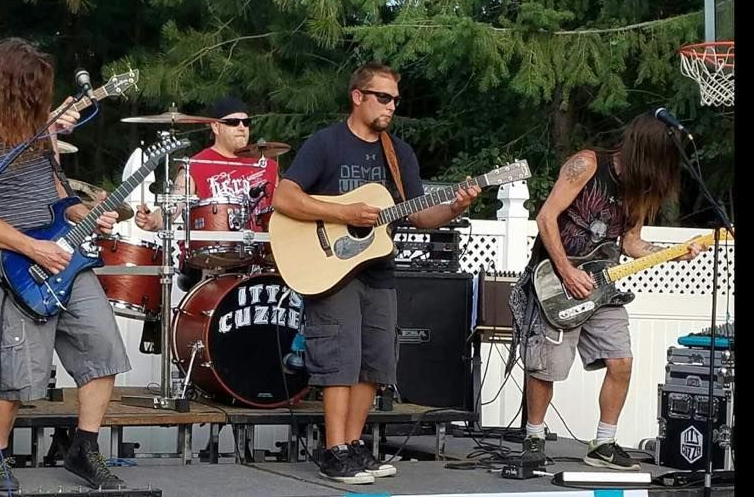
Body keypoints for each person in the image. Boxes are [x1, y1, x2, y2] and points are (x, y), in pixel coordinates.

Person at [271, 61, 481, 484]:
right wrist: (343, 211)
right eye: (383, 98)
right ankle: (332, 450)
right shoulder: (326, 144)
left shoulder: (398, 153)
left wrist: (456, 205)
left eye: (395, 100)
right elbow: (284, 197)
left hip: (377, 268)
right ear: (358, 97)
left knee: (376, 361)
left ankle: (351, 447)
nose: (391, 107)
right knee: (339, 359)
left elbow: (420, 215)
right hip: (330, 268)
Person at [0, 38, 132, 491]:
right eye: (34, 88)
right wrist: (31, 247)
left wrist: (83, 214)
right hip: (15, 264)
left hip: (62, 254)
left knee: (102, 348)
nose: (42, 97)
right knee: (15, 371)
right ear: (11, 86)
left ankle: (84, 449)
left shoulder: (38, 132)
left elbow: (56, 196)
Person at [510, 112, 705, 470]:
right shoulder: (586, 164)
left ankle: (603, 443)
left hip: (602, 285)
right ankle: (534, 436)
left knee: (621, 362)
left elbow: (631, 244)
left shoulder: (640, 189)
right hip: (555, 279)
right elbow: (546, 217)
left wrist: (674, 254)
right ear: (646, 151)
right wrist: (566, 271)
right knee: (546, 367)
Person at [134, 96, 279, 285]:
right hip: (213, 265)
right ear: (215, 127)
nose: (242, 127)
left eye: (246, 122)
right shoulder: (196, 165)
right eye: (233, 122)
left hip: (263, 261)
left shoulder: (265, 165)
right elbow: (174, 205)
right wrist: (152, 220)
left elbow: (285, 208)